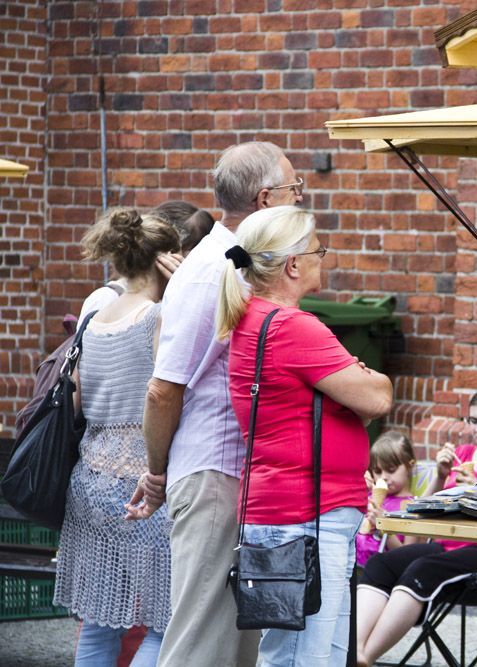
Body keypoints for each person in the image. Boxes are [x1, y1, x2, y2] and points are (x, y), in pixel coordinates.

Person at [126, 142, 303, 667]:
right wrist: (156, 473)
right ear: (266, 198)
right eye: (297, 190)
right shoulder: (213, 270)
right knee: (200, 642)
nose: (302, 201)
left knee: (232, 642)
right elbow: (164, 387)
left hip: (230, 471)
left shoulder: (237, 263)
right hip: (213, 471)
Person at [215, 205, 393, 666]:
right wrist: (358, 380)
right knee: (302, 659)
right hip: (306, 517)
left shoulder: (254, 318)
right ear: (293, 264)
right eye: (318, 250)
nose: (323, 258)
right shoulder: (295, 328)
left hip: (294, 512)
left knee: (321, 655)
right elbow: (377, 399)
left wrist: (350, 386)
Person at [53, 208, 181, 666]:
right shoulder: (158, 316)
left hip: (90, 480)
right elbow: (160, 395)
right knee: (168, 624)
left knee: (100, 620)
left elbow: (78, 402)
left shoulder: (94, 316)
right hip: (143, 486)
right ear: (166, 259)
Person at [356, 388, 477, 667]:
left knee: (422, 569)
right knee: (380, 563)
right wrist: (440, 477)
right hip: (442, 543)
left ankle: (366, 658)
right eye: (473, 421)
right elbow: (425, 509)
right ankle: (355, 650)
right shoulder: (462, 454)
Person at [356, 431, 423, 568]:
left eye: (391, 470)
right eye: (378, 471)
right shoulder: (368, 496)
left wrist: (384, 527)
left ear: (410, 466)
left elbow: (406, 556)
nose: (384, 477)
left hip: (383, 572)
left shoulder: (412, 507)